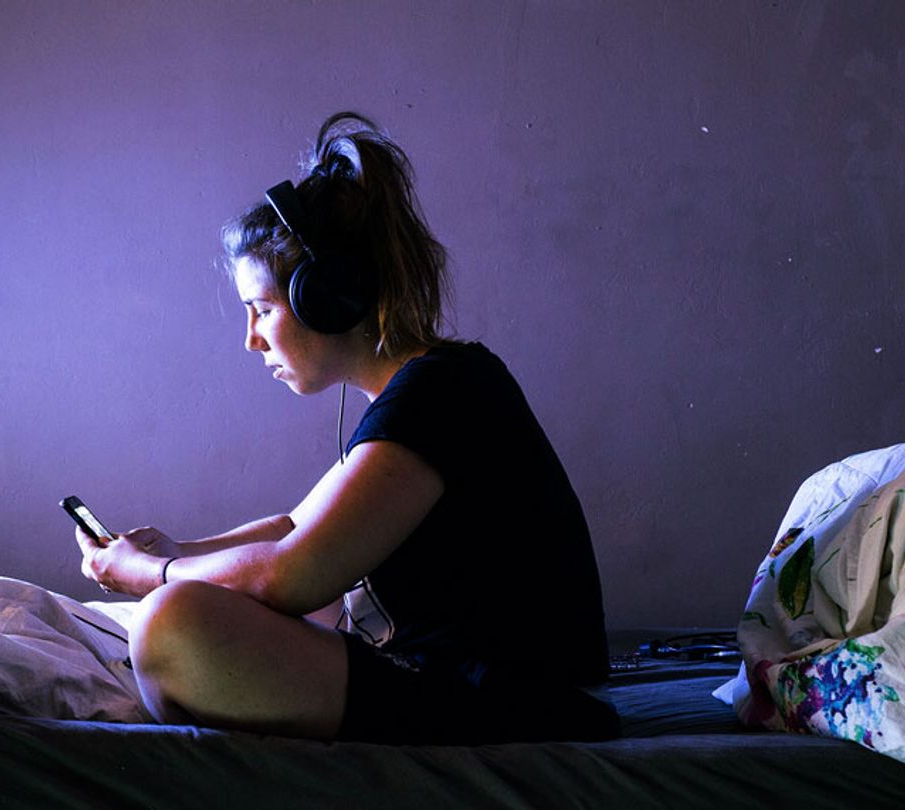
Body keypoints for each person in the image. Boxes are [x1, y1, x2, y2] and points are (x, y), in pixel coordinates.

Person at [75, 112, 619, 745]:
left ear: (327, 297)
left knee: (172, 621)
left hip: (514, 704)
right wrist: (172, 551)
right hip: (472, 688)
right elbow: (293, 527)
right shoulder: (428, 391)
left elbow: (292, 573)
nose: (251, 340)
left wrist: (152, 576)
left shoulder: (445, 392)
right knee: (175, 616)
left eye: (262, 310)